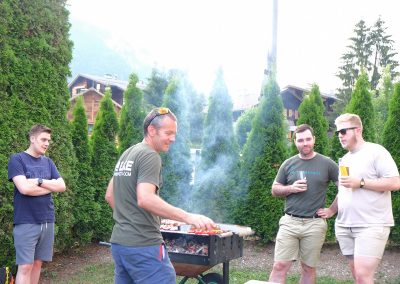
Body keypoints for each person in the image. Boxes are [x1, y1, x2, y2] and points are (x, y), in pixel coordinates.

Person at [105, 107, 216, 284]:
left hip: (120, 243)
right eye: (168, 133)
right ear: (151, 130)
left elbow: (110, 195)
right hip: (144, 244)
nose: (173, 138)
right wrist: (188, 217)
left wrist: (132, 218)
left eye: (174, 133)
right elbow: (146, 198)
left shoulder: (127, 154)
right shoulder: (150, 155)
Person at [318, 113, 400, 284]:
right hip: (345, 225)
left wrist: (361, 182)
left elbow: (395, 182)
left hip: (371, 225)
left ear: (358, 130)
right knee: (357, 275)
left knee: (363, 276)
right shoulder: (345, 159)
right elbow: (345, 189)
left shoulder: (376, 151)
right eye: (337, 132)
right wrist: (332, 210)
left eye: (343, 131)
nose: (339, 135)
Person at [268, 124, 338, 284]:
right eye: (300, 140)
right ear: (295, 142)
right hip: (289, 222)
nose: (304, 143)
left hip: (314, 224)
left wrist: (332, 210)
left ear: (314, 140)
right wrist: (291, 188)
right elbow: (275, 189)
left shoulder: (327, 163)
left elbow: (346, 188)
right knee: (279, 265)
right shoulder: (288, 163)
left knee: (308, 268)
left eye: (308, 139)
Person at [8, 124, 66, 284]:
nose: (47, 143)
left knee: (38, 264)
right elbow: (24, 189)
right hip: (26, 221)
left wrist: (39, 182)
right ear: (32, 139)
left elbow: (62, 186)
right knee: (25, 266)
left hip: (47, 220)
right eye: (43, 139)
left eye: (48, 140)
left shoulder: (48, 162)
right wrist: (49, 186)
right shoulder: (17, 159)